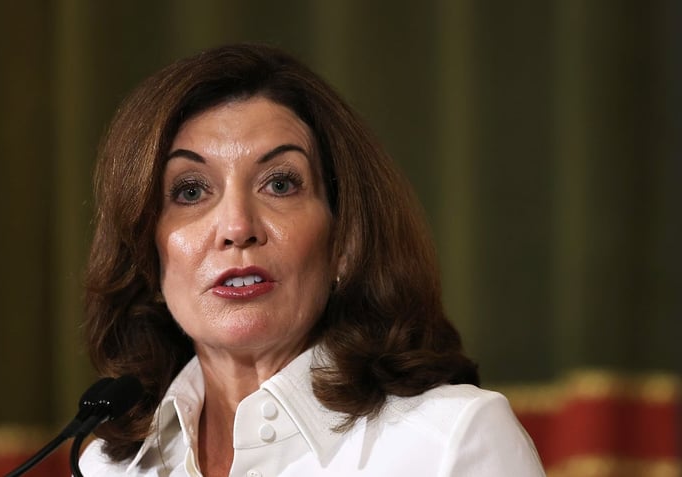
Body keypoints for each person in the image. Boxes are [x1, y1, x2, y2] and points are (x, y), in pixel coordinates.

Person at [80, 43, 544, 476]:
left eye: (279, 184)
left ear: (344, 240)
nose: (238, 226)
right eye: (191, 191)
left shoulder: (449, 442)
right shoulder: (108, 467)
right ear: (146, 250)